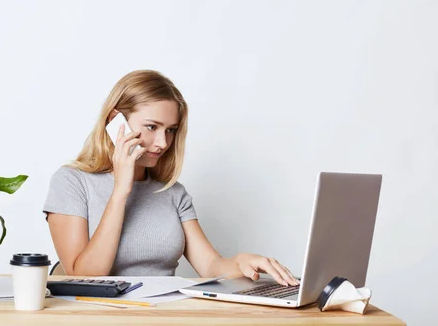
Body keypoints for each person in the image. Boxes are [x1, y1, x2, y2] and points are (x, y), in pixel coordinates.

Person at [42, 70, 299, 287]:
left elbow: (210, 266)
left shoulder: (173, 193)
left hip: (165, 316)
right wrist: (121, 190)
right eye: (152, 127)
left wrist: (241, 261)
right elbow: (83, 278)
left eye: (171, 130)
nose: (162, 143)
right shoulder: (72, 183)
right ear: (114, 121)